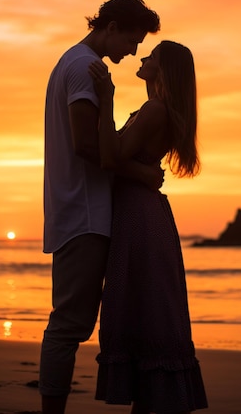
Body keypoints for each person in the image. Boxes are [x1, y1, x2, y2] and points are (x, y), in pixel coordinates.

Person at [39, 0, 161, 414]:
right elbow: (87, 144)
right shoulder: (82, 68)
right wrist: (140, 173)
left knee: (75, 322)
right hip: (83, 214)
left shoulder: (74, 64)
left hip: (81, 211)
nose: (134, 50)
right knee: (69, 325)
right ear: (111, 28)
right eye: (132, 39)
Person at [89, 40, 208, 414]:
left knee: (143, 306)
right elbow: (122, 160)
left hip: (139, 218)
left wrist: (106, 98)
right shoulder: (155, 108)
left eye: (152, 56)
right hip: (142, 213)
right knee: (146, 306)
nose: (143, 57)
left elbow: (110, 156)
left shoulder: (156, 110)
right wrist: (144, 172)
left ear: (164, 70)